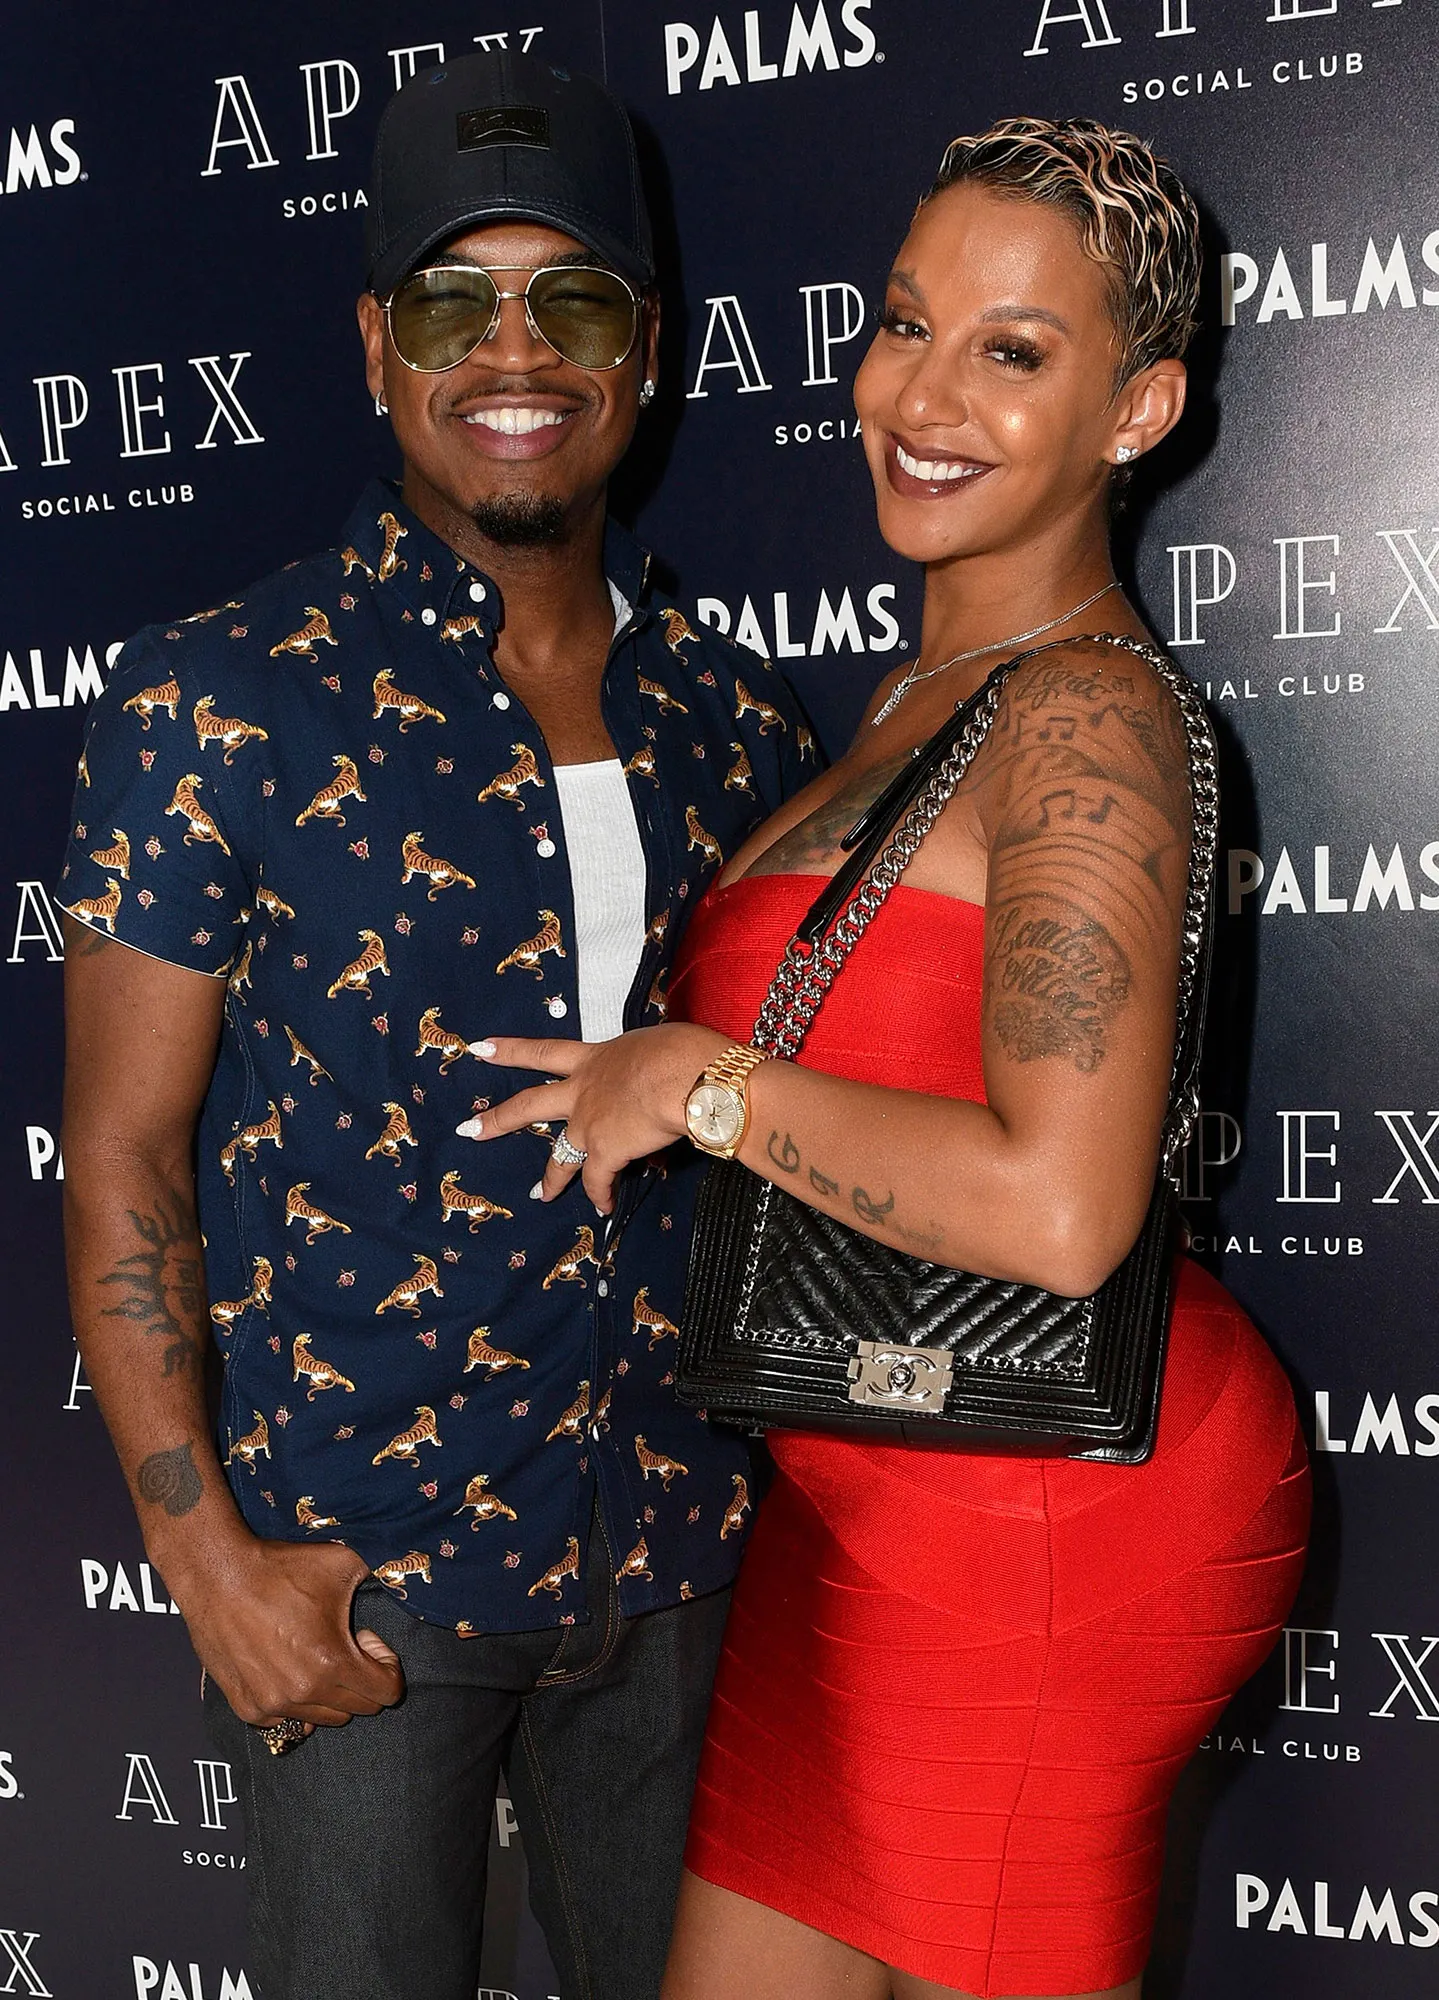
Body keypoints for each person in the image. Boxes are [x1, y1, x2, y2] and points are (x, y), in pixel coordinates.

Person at [467, 118, 1311, 2000]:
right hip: (868, 1487)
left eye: (1011, 351)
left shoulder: (1083, 714)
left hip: (1043, 1513)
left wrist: (692, 1083)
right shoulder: (921, 693)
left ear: (1136, 407)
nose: (919, 399)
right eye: (905, 322)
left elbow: (1062, 1212)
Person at [57, 49, 811, 2000]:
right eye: (452, 300)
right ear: (376, 343)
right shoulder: (220, 701)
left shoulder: (736, 724)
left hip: (677, 1554)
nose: (516, 351)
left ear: (646, 351)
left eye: (574, 301)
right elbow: (123, 1152)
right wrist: (204, 1562)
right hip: (359, 1577)